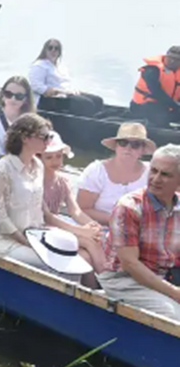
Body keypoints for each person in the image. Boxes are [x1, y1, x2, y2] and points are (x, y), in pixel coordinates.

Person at [0, 114, 98, 275]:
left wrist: (80, 230)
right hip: (5, 239)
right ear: (25, 138)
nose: (48, 141)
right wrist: (25, 241)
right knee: (55, 265)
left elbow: (43, 212)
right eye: (44, 137)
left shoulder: (38, 166)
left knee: (71, 250)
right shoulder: (3, 169)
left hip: (34, 235)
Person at [97, 144, 180, 320]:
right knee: (176, 316)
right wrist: (174, 292)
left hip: (164, 273)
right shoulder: (129, 207)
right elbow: (130, 265)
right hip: (123, 279)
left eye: (165, 174)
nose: (156, 179)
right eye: (154, 171)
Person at [39, 132, 106, 268]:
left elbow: (75, 210)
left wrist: (93, 225)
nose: (55, 161)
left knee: (97, 239)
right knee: (89, 242)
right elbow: (48, 217)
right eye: (49, 157)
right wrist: (80, 231)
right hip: (40, 225)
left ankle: (100, 280)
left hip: (57, 225)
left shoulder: (62, 181)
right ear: (39, 158)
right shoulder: (36, 182)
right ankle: (106, 277)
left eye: (58, 156)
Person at [76, 123, 152, 226]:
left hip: (139, 230)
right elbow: (82, 209)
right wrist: (118, 220)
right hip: (99, 228)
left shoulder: (152, 173)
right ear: (116, 146)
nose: (128, 148)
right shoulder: (96, 171)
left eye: (135, 145)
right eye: (123, 143)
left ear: (142, 150)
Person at [27, 38, 104, 116]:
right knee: (85, 104)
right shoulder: (39, 65)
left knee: (98, 100)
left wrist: (75, 92)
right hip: (49, 99)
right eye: (50, 48)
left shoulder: (61, 66)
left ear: (59, 52)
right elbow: (36, 86)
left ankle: (97, 119)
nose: (53, 50)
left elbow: (66, 83)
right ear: (45, 50)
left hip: (66, 95)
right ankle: (84, 124)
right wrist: (59, 91)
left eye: (56, 48)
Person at [0, 75, 36, 158]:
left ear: (26, 99)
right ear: (2, 96)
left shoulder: (31, 122)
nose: (13, 99)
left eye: (19, 96)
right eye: (8, 94)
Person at [129, 45, 180, 127]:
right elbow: (156, 92)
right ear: (166, 56)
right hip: (143, 106)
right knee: (161, 118)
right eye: (170, 58)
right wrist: (175, 106)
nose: (172, 61)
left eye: (177, 59)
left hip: (167, 106)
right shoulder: (152, 70)